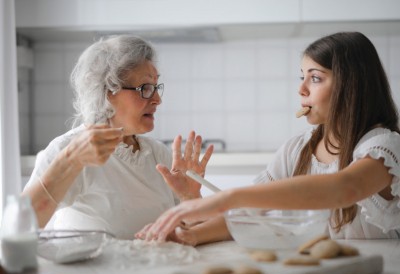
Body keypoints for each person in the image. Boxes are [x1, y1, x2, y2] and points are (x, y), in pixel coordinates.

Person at [141, 31, 400, 243]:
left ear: (351, 85)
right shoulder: (297, 150)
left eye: (316, 78)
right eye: (302, 77)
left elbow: (346, 188)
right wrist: (192, 234)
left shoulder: (384, 147)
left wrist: (230, 196)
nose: (301, 89)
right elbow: (250, 213)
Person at [22, 35, 213, 240]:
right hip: (91, 272)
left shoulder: (157, 154)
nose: (158, 99)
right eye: (145, 88)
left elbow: (193, 232)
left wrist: (190, 198)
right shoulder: (69, 149)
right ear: (107, 92)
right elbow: (21, 226)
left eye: (156, 87)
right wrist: (70, 161)